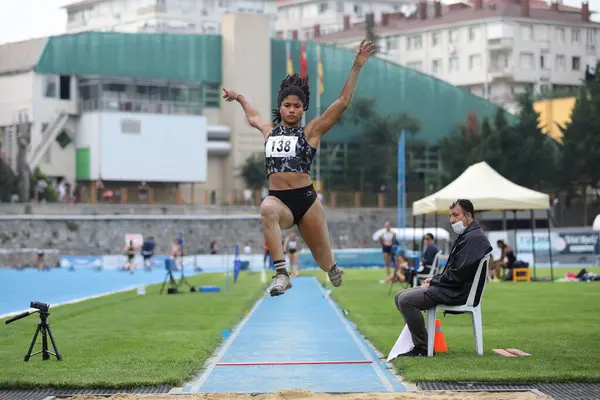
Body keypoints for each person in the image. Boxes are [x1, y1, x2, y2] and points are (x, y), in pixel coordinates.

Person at [222, 39, 376, 297]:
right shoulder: (268, 132)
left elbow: (342, 102)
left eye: (297, 106)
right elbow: (253, 117)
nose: (292, 110)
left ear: (303, 109)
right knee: (266, 207)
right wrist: (238, 97)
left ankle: (332, 266)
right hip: (279, 201)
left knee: (323, 260)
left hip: (306, 201)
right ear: (280, 107)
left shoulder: (311, 131)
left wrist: (356, 67)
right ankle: (282, 273)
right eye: (287, 105)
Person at [394, 199, 492, 357]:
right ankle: (417, 343)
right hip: (450, 288)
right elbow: (454, 271)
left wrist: (434, 281)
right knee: (399, 296)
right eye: (450, 216)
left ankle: (423, 348)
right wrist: (433, 279)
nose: (452, 220)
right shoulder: (468, 235)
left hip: (457, 292)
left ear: (468, 215)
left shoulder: (474, 238)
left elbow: (458, 274)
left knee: (406, 300)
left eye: (455, 215)